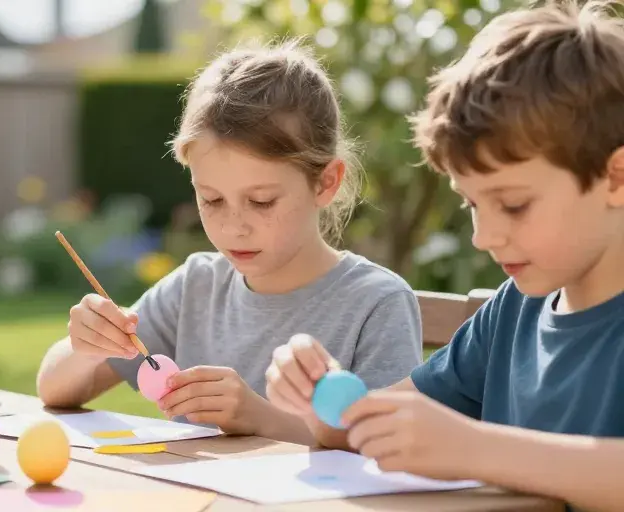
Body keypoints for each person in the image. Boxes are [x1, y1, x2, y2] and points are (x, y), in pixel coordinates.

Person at [265, 2, 624, 509]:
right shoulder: (512, 311)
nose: (483, 236)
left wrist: (477, 450)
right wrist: (320, 400)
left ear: (615, 177)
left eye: (513, 205)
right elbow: (375, 429)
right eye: (472, 203)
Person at [37, 40, 423, 444]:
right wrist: (89, 348)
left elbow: (387, 444)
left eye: (262, 201)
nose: (233, 227)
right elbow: (54, 388)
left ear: (325, 182)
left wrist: (261, 418)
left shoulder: (375, 303)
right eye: (212, 199)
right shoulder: (196, 287)